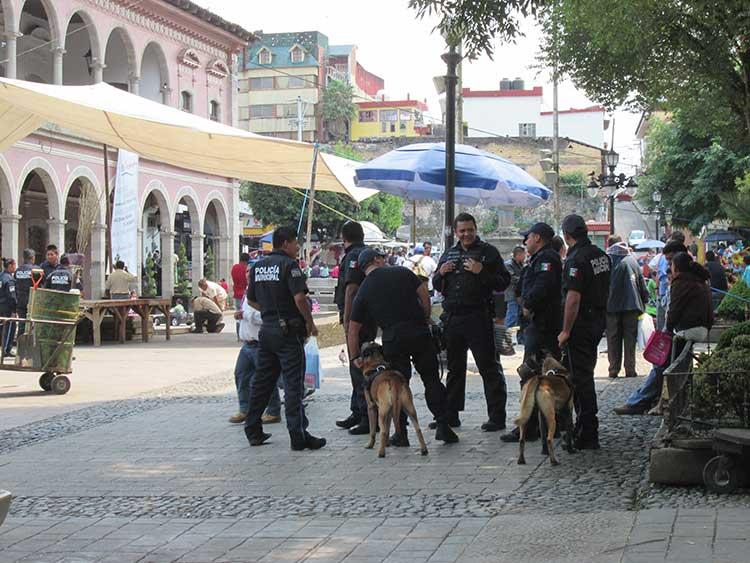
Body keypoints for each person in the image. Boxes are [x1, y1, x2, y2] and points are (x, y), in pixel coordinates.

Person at [347, 248, 459, 445]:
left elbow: (353, 328)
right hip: (419, 333)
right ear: (378, 260)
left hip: (393, 339)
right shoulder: (402, 272)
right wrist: (425, 315)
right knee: (431, 379)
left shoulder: (364, 289)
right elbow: (423, 290)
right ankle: (443, 425)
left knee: (398, 386)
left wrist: (355, 357)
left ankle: (401, 434)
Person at [243, 227, 324, 451]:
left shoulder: (258, 266)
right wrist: (310, 323)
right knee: (293, 385)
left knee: (262, 382)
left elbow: (251, 302)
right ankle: (298, 435)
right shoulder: (289, 266)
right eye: (295, 243)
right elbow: (299, 299)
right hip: (289, 333)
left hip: (267, 332)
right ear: (286, 243)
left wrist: (270, 311)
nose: (298, 247)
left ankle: (253, 430)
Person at [432, 212, 509, 431]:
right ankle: (451, 414)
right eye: (462, 231)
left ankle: (497, 416)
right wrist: (441, 273)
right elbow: (437, 284)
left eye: (470, 230)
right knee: (455, 369)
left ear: (476, 229)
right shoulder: (449, 253)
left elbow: (503, 282)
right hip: (453, 318)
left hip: (478, 317)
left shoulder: (488, 253)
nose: (466, 234)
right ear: (456, 232)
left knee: (489, 368)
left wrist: (481, 271)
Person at [615, 249, 710, 415]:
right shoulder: (699, 280)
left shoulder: (681, 282)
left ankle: (638, 402)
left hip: (688, 329)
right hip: (701, 329)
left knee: (661, 364)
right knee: (667, 364)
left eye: (671, 264)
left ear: (676, 268)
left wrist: (665, 333)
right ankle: (654, 401)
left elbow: (673, 313)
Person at [501, 223, 562, 443]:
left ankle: (529, 426)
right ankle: (541, 424)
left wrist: (527, 303)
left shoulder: (546, 259)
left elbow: (542, 287)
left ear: (537, 237)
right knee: (537, 376)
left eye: (527, 238)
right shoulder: (539, 259)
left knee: (531, 376)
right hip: (539, 325)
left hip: (543, 325)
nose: (525, 242)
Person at [558, 215, 610, 450]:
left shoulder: (575, 259)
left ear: (567, 236)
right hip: (598, 319)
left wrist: (566, 331)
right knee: (585, 373)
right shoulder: (601, 254)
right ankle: (586, 426)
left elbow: (573, 298)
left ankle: (588, 430)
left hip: (581, 323)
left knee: (581, 379)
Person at [333, 221, 376, 435]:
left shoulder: (352, 256)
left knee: (358, 364)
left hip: (357, 319)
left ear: (344, 237)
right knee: (358, 364)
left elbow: (351, 289)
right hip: (369, 317)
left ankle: (367, 416)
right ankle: (358, 411)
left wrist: (348, 320)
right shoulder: (366, 253)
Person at [229, 293, 282, 425]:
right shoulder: (247, 294)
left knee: (266, 377)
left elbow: (267, 317)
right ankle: (245, 409)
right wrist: (239, 316)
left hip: (260, 343)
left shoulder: (263, 292)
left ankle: (273, 410)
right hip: (247, 344)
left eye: (250, 272)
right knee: (241, 375)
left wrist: (246, 316)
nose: (248, 274)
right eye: (246, 271)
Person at [606, 236, 648, 379]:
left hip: (611, 306)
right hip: (632, 305)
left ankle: (613, 369)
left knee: (613, 338)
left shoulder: (607, 261)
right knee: (630, 339)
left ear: (609, 244)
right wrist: (644, 301)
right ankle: (630, 369)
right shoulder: (632, 261)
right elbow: (642, 285)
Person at [14, 249, 38, 337]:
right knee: (34, 324)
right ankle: (31, 345)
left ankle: (20, 346)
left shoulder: (18, 270)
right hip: (33, 301)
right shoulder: (36, 270)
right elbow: (42, 284)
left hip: (20, 301)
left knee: (22, 324)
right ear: (33, 258)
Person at [504, 246, 526, 333]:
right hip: (512, 293)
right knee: (512, 315)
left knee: (517, 317)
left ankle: (517, 337)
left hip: (519, 294)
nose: (525, 256)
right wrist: (524, 279)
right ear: (519, 254)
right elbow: (512, 278)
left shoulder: (521, 264)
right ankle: (506, 336)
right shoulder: (508, 264)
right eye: (523, 254)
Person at [0, 259, 17, 357]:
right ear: (10, 266)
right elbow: (12, 297)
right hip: (7, 308)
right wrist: (14, 310)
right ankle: (6, 350)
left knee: (2, 327)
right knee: (10, 327)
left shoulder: (1, 276)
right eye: (14, 265)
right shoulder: (9, 279)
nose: (15, 267)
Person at [231, 253, 251, 339]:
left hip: (236, 293)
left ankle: (239, 335)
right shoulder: (247, 269)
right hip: (245, 293)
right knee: (246, 314)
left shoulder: (234, 268)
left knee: (238, 314)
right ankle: (245, 334)